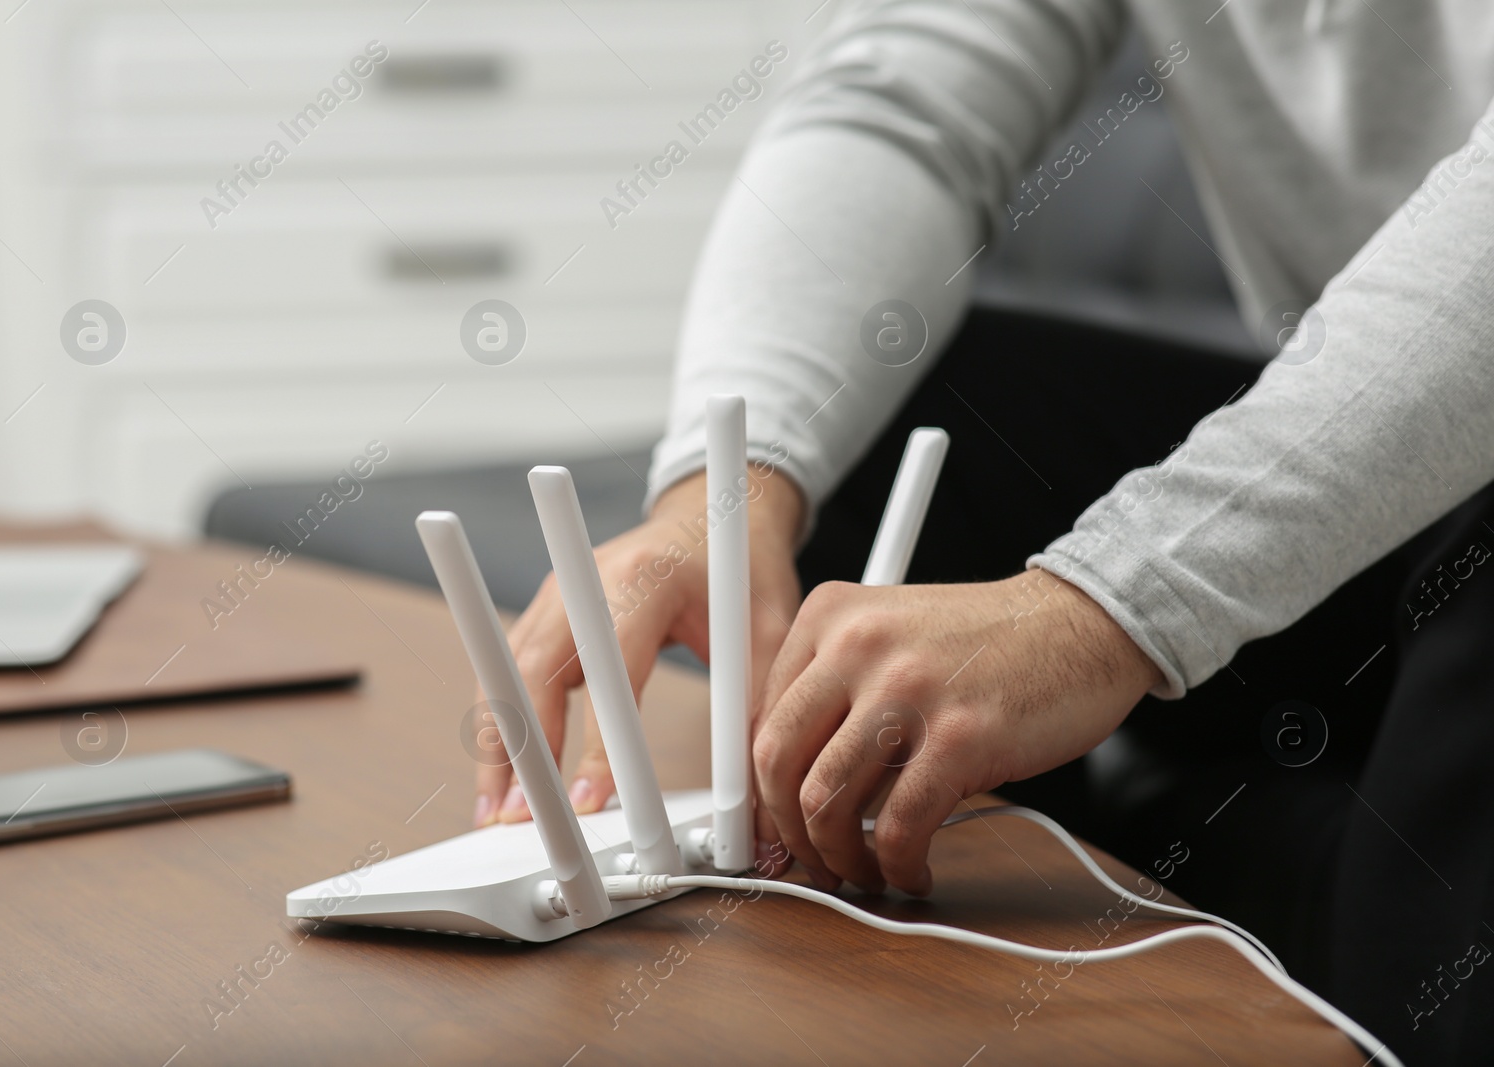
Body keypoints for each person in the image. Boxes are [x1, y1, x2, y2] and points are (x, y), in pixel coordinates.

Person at [477, 2, 1494, 1061]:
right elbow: (899, 98)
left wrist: (1097, 607)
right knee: (880, 422)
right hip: (1368, 490)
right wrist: (718, 495)